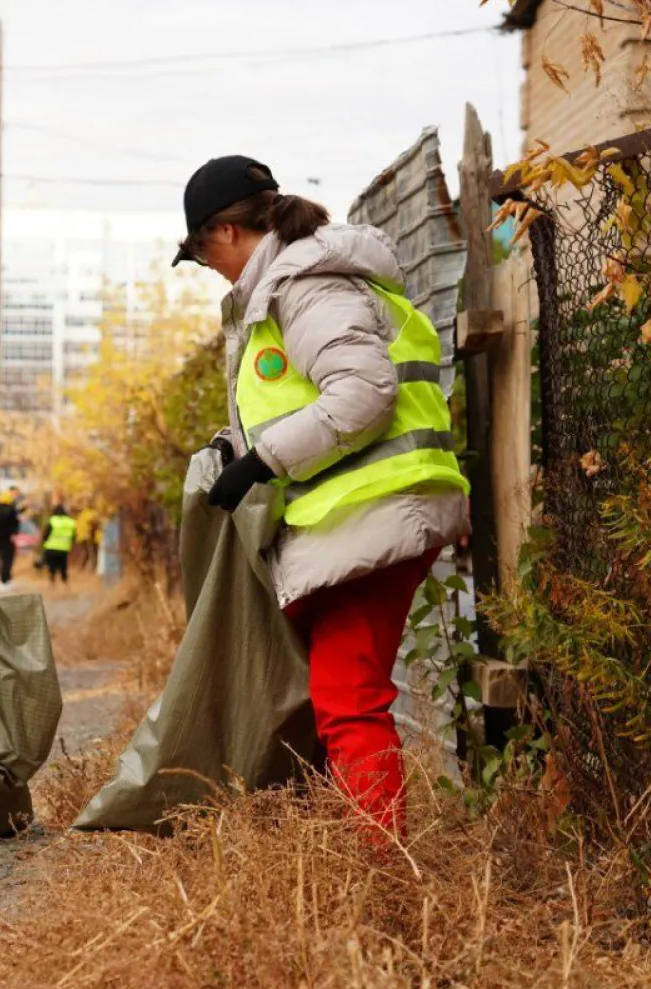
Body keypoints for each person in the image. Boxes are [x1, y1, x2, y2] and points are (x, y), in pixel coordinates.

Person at [173, 155, 468, 837]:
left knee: (348, 702)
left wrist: (263, 462)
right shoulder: (291, 284)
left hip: (376, 515)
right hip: (354, 519)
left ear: (223, 231)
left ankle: (381, 879)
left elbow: (363, 393)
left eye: (198, 253)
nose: (206, 269)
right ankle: (337, 856)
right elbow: (306, 399)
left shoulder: (306, 284)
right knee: (322, 700)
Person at [41, 505, 77, 585]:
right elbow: (74, 536)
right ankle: (65, 582)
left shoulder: (52, 520)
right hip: (64, 548)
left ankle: (52, 581)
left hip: (51, 547)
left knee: (52, 565)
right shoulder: (70, 521)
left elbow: (46, 533)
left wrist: (44, 541)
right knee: (63, 566)